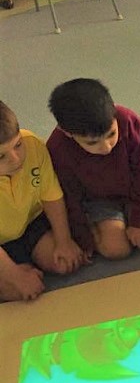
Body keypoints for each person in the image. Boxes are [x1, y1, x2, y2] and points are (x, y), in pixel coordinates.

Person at [46, 78, 140, 260]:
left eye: (111, 134)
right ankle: (104, 226)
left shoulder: (128, 121)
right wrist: (82, 239)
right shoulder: (58, 148)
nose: (107, 147)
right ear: (67, 132)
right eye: (92, 142)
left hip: (134, 192)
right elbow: (68, 197)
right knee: (117, 250)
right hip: (98, 202)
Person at [0, 101, 84, 302]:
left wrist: (64, 240)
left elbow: (51, 195)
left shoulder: (33, 145)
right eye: (1, 156)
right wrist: (13, 274)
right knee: (18, 291)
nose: (16, 159)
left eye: (18, 145)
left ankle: (22, 266)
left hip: (30, 223)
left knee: (65, 262)